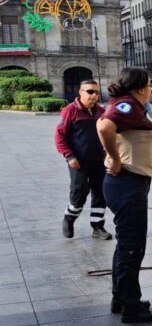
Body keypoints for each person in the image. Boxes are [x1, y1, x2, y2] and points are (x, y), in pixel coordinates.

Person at [97, 68, 152, 322]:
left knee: (126, 245)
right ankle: (131, 307)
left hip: (129, 183)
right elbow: (104, 126)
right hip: (127, 183)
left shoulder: (131, 105)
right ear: (138, 88)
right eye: (149, 84)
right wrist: (113, 158)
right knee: (132, 247)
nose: (151, 88)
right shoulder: (126, 105)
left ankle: (121, 297)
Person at [55, 79, 112, 240]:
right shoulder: (70, 111)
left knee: (100, 193)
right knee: (79, 194)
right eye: (90, 91)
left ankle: (98, 226)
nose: (94, 95)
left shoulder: (101, 111)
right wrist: (69, 156)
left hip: (98, 160)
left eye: (96, 92)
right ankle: (69, 218)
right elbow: (60, 136)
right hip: (77, 161)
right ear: (80, 92)